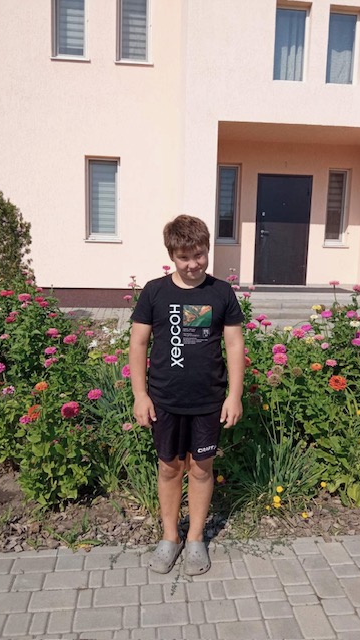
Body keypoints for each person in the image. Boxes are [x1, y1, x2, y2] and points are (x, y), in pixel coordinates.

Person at [129, 214, 245, 575]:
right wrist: (140, 395)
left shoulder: (221, 293)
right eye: (184, 257)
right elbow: (138, 343)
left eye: (199, 255)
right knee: (169, 468)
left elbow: (234, 344)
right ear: (171, 256)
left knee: (201, 468)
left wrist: (235, 395)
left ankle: (195, 539)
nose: (193, 264)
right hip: (165, 400)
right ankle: (170, 537)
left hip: (208, 401)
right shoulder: (155, 292)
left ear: (207, 250)